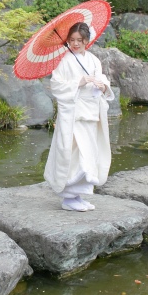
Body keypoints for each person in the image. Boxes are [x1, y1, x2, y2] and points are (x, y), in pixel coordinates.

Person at [44, 22, 115, 212]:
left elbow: (102, 79)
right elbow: (57, 85)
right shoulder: (65, 61)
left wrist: (102, 86)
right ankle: (68, 198)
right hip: (74, 114)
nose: (75, 44)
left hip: (91, 113)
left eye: (80, 40)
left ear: (87, 41)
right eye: (72, 40)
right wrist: (79, 82)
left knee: (89, 153)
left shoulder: (93, 60)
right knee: (76, 155)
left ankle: (77, 195)